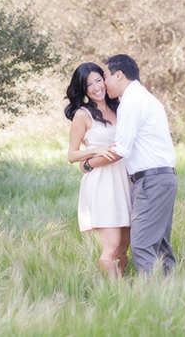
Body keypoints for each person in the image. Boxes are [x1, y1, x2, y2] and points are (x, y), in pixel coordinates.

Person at [99, 54, 178, 276]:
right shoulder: (146, 98)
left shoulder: (131, 101)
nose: (104, 83)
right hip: (164, 179)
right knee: (160, 245)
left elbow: (122, 149)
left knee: (142, 244)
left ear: (119, 74)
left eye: (105, 76)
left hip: (150, 182)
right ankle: (171, 296)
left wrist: (89, 163)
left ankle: (153, 300)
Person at [64, 62, 132, 278]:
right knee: (111, 247)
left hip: (126, 180)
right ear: (83, 90)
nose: (96, 87)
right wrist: (94, 151)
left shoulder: (120, 108)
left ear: (105, 80)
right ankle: (110, 296)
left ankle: (123, 291)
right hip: (103, 185)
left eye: (98, 80)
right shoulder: (83, 115)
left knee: (124, 247)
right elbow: (72, 154)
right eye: (88, 85)